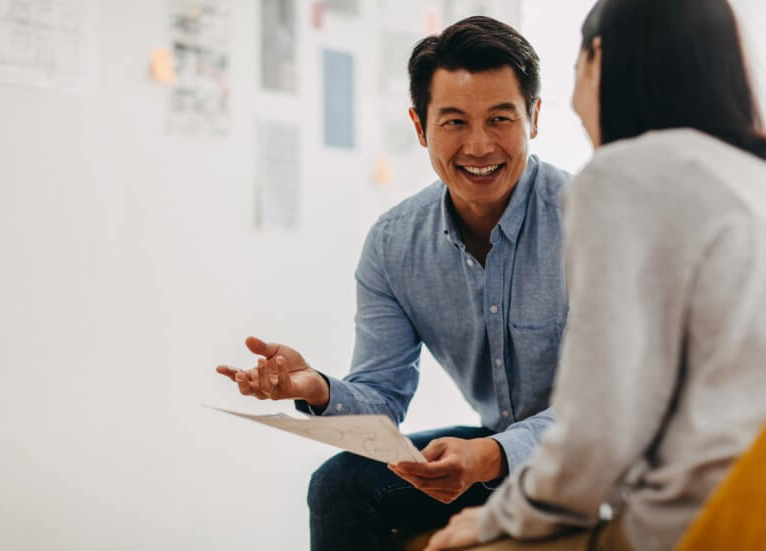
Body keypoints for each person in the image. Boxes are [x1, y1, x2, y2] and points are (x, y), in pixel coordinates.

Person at [216, 16, 570, 551]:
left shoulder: (594, 223)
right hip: (500, 457)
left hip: (600, 456)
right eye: (454, 122)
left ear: (534, 119)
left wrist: (494, 455)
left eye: (501, 118)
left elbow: (615, 409)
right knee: (338, 487)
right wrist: (315, 387)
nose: (479, 145)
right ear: (420, 126)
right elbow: (382, 399)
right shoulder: (394, 244)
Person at [424, 0, 766, 550]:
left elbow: (597, 432)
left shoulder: (620, 178)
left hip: (701, 521)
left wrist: (496, 520)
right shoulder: (752, 175)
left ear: (597, 56)